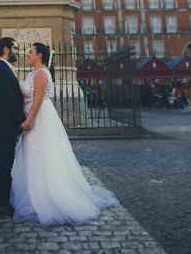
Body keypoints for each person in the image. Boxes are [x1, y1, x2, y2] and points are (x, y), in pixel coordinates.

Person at [11, 42, 119, 224]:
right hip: (33, 115)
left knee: (43, 155)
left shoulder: (41, 74)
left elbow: (37, 100)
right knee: (34, 156)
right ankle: (35, 192)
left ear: (40, 55)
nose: (27, 54)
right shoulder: (32, 73)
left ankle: (48, 195)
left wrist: (29, 120)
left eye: (31, 52)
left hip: (39, 118)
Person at [0, 37, 26, 217]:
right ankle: (1, 204)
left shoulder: (5, 70)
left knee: (5, 164)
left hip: (6, 125)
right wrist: (22, 121)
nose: (17, 52)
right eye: (15, 48)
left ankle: (4, 201)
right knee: (3, 165)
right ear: (6, 49)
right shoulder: (2, 71)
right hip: (5, 126)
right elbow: (9, 102)